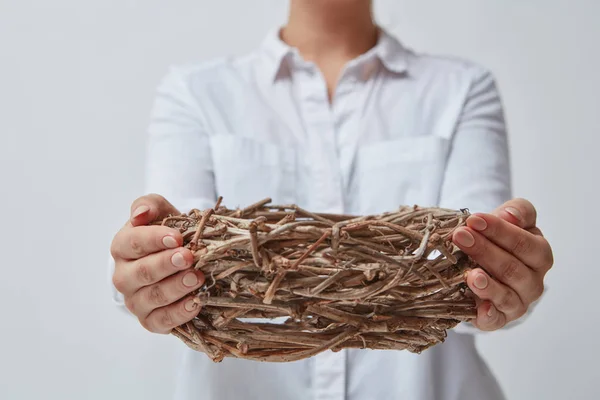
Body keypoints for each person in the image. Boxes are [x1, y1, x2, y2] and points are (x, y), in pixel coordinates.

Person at [108, 1, 554, 399]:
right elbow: (182, 265)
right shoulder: (196, 92)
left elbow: (475, 276)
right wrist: (150, 274)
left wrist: (508, 280)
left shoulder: (461, 88)